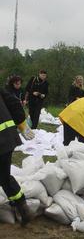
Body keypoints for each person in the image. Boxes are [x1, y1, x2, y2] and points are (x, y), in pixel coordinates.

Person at [0, 88, 35, 226]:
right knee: (4, 177)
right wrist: (21, 125)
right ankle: (23, 209)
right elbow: (15, 103)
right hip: (8, 138)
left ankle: (23, 209)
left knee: (3, 176)